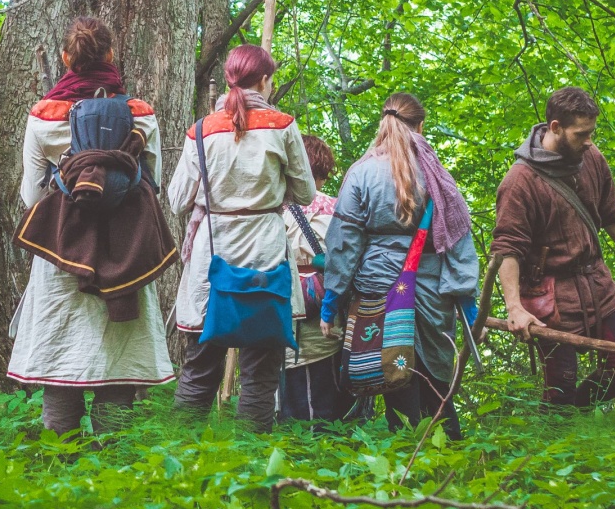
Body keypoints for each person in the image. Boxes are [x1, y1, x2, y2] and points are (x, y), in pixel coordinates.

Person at [6, 17, 173, 436]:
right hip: (127, 252)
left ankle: (63, 472)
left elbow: (31, 196)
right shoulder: (141, 116)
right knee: (115, 365)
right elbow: (154, 182)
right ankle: (110, 472)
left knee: (60, 360)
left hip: (62, 253)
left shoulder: (43, 118)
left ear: (66, 59)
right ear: (111, 56)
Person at [168, 45, 316, 430]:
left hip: (210, 260)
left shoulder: (201, 131)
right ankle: (250, 466)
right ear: (265, 80)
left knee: (199, 369)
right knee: (261, 375)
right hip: (265, 256)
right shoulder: (282, 126)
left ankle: (177, 459)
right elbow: (305, 195)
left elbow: (177, 199)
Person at [320, 93, 479, 441]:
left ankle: (404, 457)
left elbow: (344, 242)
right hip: (433, 291)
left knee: (394, 370)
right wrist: (468, 300)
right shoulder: (437, 175)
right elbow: (458, 239)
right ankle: (450, 450)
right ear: (420, 126)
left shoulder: (361, 173)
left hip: (379, 290)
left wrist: (332, 299)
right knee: (435, 380)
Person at [490, 86, 615, 407]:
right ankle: (559, 435)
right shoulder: (519, 182)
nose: (590, 141)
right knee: (560, 388)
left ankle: (581, 414)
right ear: (555, 128)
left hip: (597, 282)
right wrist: (514, 307)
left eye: (591, 132)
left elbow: (611, 214)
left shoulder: (592, 158)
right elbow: (507, 250)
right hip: (549, 296)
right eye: (582, 134)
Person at [280, 134, 355, 424]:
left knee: (287, 392)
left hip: (282, 307)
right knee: (325, 396)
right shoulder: (336, 208)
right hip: (325, 312)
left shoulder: (272, 207)